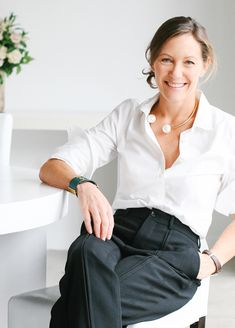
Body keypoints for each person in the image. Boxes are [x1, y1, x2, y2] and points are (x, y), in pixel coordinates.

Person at [40, 16, 235, 328]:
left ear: (204, 64)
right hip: (115, 231)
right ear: (153, 62)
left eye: (188, 62)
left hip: (174, 251)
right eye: (167, 60)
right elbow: (52, 167)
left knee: (80, 298)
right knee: (86, 249)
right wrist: (84, 185)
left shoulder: (225, 131)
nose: (176, 72)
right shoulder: (128, 116)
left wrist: (212, 262)